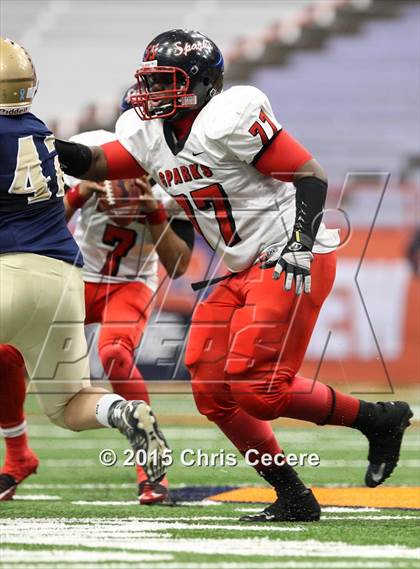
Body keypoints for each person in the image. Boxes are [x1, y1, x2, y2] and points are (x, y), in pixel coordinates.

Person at [56, 29, 413, 522]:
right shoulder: (147, 133)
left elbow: (310, 173)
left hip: (286, 251)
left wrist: (300, 246)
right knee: (211, 390)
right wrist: (42, 143)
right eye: (150, 83)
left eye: (166, 83)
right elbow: (96, 161)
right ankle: (292, 495)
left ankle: (377, 419)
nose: (151, 94)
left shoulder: (229, 118)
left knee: (257, 389)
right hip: (241, 264)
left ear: (203, 84)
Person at [0, 37, 169, 501]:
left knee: (105, 357)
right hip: (65, 278)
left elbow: (177, 258)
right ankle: (122, 414)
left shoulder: (162, 163)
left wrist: (151, 208)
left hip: (19, 276)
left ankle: (147, 467)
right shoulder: (39, 129)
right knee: (69, 403)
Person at [63, 119, 193, 503]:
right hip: (80, 275)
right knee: (10, 351)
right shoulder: (89, 149)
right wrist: (78, 194)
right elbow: (40, 225)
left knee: (115, 354)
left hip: (132, 281)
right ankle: (17, 456)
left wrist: (153, 211)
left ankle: (150, 463)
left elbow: (180, 266)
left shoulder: (179, 170)